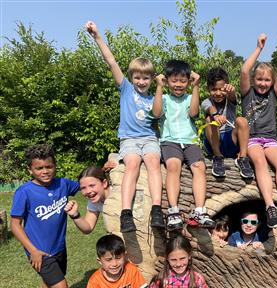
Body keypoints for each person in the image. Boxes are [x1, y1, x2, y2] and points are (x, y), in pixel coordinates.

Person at [85, 21, 164, 233]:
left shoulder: (154, 97)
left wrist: (160, 87)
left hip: (149, 138)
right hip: (129, 139)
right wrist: (97, 36)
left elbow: (157, 114)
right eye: (137, 77)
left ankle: (157, 209)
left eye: (146, 77)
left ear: (151, 79)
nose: (141, 81)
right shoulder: (126, 89)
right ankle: (126, 212)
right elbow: (110, 61)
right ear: (131, 77)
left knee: (154, 164)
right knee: (132, 165)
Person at [10, 144, 80, 288]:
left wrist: (104, 169)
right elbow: (15, 225)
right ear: (30, 169)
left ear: (55, 166)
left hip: (59, 248)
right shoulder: (25, 192)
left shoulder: (63, 184)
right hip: (40, 252)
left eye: (49, 166)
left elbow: (85, 183)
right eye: (39, 168)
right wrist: (33, 251)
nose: (45, 171)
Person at [240, 32, 277, 228]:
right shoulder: (247, 93)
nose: (263, 83)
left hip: (270, 139)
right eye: (259, 79)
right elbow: (244, 71)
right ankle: (269, 206)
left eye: (267, 80)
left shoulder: (273, 94)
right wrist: (259, 48)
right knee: (259, 162)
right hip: (252, 139)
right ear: (254, 79)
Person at [152, 60, 215, 231]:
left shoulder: (189, 97)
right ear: (167, 81)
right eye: (174, 80)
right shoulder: (164, 98)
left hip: (190, 141)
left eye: (183, 81)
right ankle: (173, 211)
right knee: (173, 166)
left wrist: (196, 87)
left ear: (188, 82)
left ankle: (200, 211)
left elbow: (194, 112)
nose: (178, 85)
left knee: (199, 167)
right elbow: (156, 113)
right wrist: (158, 87)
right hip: (170, 140)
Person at [202, 67, 254, 179]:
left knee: (242, 120)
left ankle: (243, 158)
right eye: (214, 89)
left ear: (226, 88)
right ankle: (217, 157)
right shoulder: (206, 102)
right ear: (208, 89)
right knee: (209, 120)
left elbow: (232, 96)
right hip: (214, 143)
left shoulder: (229, 100)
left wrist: (232, 91)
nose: (218, 93)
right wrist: (215, 116)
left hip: (230, 140)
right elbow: (210, 109)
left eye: (221, 89)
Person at [65, 166, 112, 234]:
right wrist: (75, 215)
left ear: (104, 183)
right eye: (83, 188)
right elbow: (88, 227)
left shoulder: (119, 193)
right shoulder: (94, 201)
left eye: (92, 185)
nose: (88, 191)